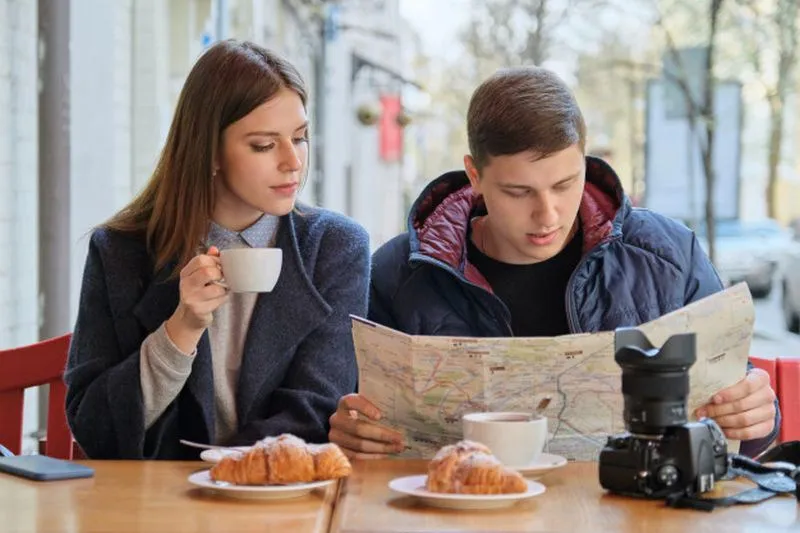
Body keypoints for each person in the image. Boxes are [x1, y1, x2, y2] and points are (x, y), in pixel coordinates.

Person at [329, 66, 779, 459]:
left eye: (565, 184)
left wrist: (757, 414)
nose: (548, 215)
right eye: (518, 192)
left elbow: (742, 418)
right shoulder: (400, 273)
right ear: (475, 176)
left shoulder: (669, 256)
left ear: (585, 162)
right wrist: (348, 429)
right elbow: (347, 415)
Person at [65, 40, 370, 459]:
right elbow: (94, 428)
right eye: (264, 145)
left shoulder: (336, 247)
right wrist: (182, 328)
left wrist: (224, 472)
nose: (292, 161)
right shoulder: (120, 252)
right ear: (209, 151)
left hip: (282, 498)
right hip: (155, 507)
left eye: (299, 138)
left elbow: (313, 411)